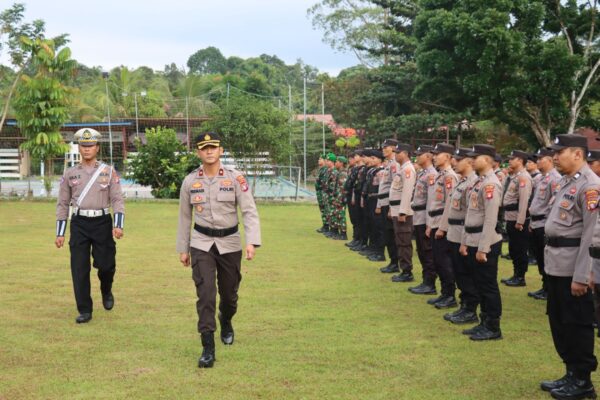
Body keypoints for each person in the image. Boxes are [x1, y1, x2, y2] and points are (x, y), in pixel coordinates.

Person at [177, 132, 261, 368]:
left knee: (229, 294)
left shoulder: (235, 178)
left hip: (230, 243)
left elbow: (249, 211)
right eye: (204, 148)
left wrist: (252, 241)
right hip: (201, 242)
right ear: (198, 152)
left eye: (213, 147)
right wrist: (183, 248)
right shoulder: (190, 181)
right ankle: (207, 347)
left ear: (221, 150)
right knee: (206, 294)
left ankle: (226, 320)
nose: (209, 151)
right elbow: (184, 217)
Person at [540, 134, 598, 399]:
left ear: (577, 154)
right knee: (560, 321)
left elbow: (591, 235)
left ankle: (583, 381)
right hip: (555, 264)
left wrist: (582, 275)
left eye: (559, 152)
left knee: (577, 323)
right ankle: (571, 372)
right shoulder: (566, 183)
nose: (554, 157)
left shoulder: (590, 186)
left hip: (573, 268)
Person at [55, 128, 125, 324]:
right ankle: (84, 309)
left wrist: (118, 225)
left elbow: (117, 199)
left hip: (102, 222)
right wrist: (60, 233)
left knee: (106, 265)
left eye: (90, 145)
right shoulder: (70, 173)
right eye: (83, 146)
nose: (87, 149)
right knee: (79, 267)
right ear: (79, 147)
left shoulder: (108, 171)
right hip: (79, 223)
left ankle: (106, 289)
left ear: (97, 147)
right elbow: (62, 203)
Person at [459, 144, 503, 341]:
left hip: (486, 242)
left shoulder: (491, 184)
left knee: (488, 285)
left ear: (486, 160)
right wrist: (465, 242)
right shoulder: (479, 182)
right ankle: (483, 322)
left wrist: (483, 248)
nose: (471, 160)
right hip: (473, 238)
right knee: (479, 283)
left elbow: (490, 219)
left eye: (475, 157)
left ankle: (493, 326)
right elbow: (470, 214)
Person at [438, 148, 479, 324]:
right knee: (459, 272)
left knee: (466, 273)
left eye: (459, 159)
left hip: (463, 232)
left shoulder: (473, 183)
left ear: (469, 162)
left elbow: (471, 213)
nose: (454, 161)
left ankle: (470, 309)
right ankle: (464, 306)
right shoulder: (462, 181)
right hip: (454, 232)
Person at [427, 143, 459, 309]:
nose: (434, 157)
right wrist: (430, 224)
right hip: (435, 222)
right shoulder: (441, 175)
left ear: (447, 157)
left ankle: (450, 295)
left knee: (444, 261)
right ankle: (444, 293)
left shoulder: (449, 177)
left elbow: (449, 205)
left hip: (442, 224)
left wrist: (442, 227)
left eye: (438, 154)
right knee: (438, 261)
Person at [527, 148, 561, 300]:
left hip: (544, 224)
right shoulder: (542, 178)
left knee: (545, 258)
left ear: (549, 160)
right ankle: (544, 286)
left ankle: (549, 289)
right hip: (536, 222)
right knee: (540, 258)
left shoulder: (555, 179)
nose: (538, 161)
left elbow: (553, 205)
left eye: (540, 159)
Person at [501, 150, 533, 287]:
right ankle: (516, 274)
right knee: (513, 248)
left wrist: (520, 220)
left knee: (519, 249)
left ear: (520, 160)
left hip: (517, 220)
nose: (510, 161)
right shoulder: (515, 176)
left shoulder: (524, 177)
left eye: (512, 159)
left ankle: (520, 277)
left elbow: (524, 201)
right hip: (510, 217)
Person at [408, 145, 438, 295]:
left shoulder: (431, 175)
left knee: (427, 252)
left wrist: (429, 223)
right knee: (421, 250)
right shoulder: (423, 173)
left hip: (424, 218)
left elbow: (432, 201)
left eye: (420, 154)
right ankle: (425, 280)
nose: (417, 157)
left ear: (428, 156)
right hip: (418, 216)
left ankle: (430, 283)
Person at [386, 143, 416, 281]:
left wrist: (403, 212)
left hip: (403, 212)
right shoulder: (401, 169)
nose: (396, 154)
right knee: (399, 241)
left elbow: (407, 192)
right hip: (396, 210)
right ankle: (403, 269)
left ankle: (407, 272)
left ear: (406, 153)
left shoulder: (408, 169)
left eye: (398, 152)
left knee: (404, 242)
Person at [375, 139, 400, 264]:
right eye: (383, 147)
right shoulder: (389, 164)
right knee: (387, 233)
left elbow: (395, 187)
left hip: (390, 204)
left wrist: (391, 207)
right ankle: (392, 261)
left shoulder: (395, 164)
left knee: (391, 234)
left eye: (386, 147)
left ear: (394, 148)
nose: (384, 149)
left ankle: (395, 262)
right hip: (384, 202)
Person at [345, 151, 363, 247]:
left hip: (356, 196)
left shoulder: (362, 169)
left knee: (358, 219)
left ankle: (359, 240)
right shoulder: (355, 168)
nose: (354, 157)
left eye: (356, 156)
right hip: (351, 194)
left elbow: (356, 185)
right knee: (353, 218)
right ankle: (356, 238)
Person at [330, 156, 349, 240]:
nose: (336, 163)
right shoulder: (339, 172)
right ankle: (338, 232)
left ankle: (343, 233)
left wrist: (339, 199)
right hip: (337, 197)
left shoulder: (343, 173)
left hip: (340, 198)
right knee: (337, 215)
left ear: (341, 163)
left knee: (341, 215)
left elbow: (342, 188)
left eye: (337, 161)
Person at [315, 155, 329, 233]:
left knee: (326, 209)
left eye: (320, 159)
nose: (318, 160)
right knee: (322, 209)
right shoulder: (321, 170)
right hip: (320, 192)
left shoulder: (325, 170)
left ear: (324, 161)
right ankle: (325, 225)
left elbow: (324, 183)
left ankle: (328, 226)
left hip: (323, 192)